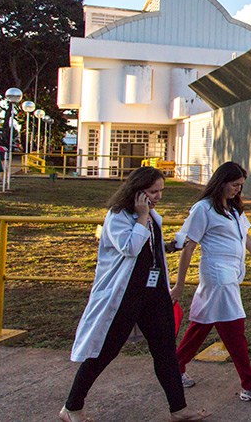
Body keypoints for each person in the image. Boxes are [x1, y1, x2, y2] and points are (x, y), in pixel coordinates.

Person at [60, 167, 209, 422]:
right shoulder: (118, 216)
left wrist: (169, 246)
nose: (158, 196)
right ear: (137, 192)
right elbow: (129, 248)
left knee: (165, 351)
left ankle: (179, 408)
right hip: (126, 297)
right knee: (104, 351)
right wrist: (141, 216)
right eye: (153, 192)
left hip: (154, 294)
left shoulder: (151, 215)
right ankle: (72, 407)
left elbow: (147, 248)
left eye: (161, 191)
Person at [170, 161, 251, 403]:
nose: (238, 190)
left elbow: (245, 237)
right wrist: (179, 284)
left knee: (202, 324)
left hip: (230, 274)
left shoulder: (234, 209)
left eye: (241, 186)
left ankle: (174, 367)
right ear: (221, 183)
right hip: (218, 276)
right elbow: (188, 247)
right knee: (234, 328)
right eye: (234, 185)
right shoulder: (203, 209)